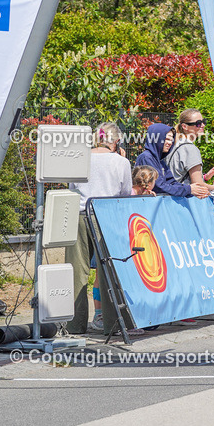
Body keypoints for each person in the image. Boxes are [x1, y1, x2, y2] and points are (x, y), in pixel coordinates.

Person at [66, 123, 132, 335]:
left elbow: (72, 188)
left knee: (76, 270)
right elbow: (125, 193)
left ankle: (75, 324)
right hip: (106, 214)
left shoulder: (80, 158)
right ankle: (112, 324)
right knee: (107, 270)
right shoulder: (121, 162)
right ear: (117, 141)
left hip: (79, 214)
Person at [135, 124, 210, 198]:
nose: (170, 143)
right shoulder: (146, 157)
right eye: (167, 139)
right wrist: (188, 189)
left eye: (171, 140)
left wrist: (195, 191)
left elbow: (172, 182)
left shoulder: (159, 161)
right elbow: (158, 187)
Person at [166, 108, 214, 189]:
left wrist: (204, 177)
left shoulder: (174, 144)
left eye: (203, 121)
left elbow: (177, 175)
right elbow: (198, 185)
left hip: (171, 193)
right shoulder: (190, 148)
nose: (203, 125)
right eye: (198, 123)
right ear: (185, 126)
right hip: (184, 195)